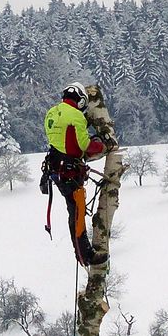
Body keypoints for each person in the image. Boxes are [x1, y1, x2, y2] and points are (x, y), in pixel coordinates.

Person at [42, 82, 109, 266]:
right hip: (70, 171)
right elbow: (84, 145)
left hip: (56, 169)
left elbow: (63, 138)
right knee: (77, 213)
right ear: (80, 101)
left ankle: (81, 252)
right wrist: (102, 146)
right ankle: (85, 255)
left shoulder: (51, 112)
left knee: (74, 211)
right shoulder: (76, 116)